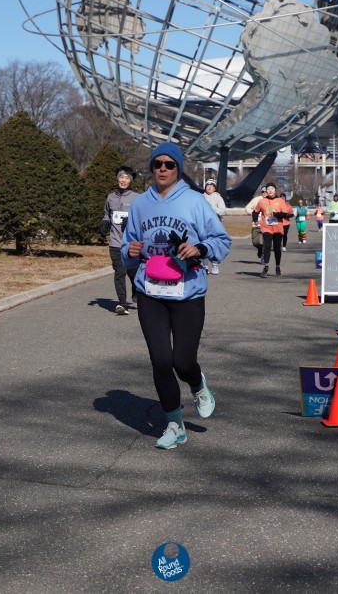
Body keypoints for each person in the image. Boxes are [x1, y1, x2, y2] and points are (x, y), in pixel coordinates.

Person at [122, 142, 231, 449]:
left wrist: (200, 249)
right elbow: (127, 246)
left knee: (182, 362)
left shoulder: (195, 201)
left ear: (178, 169)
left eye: (169, 164)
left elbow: (221, 240)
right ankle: (175, 425)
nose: (163, 169)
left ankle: (197, 384)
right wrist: (129, 251)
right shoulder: (140, 204)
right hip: (150, 291)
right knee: (160, 361)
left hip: (188, 291)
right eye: (157, 164)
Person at [101, 166, 140, 313]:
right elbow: (107, 214)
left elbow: (142, 217)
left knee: (133, 273)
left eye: (127, 178)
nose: (123, 180)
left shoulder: (137, 198)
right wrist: (104, 222)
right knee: (119, 272)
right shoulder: (110, 197)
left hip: (132, 243)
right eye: (121, 177)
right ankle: (122, 304)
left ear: (131, 180)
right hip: (115, 242)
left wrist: (131, 221)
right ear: (117, 179)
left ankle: (136, 290)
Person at [255, 182, 292, 277]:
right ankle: (266, 267)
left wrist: (276, 214)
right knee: (267, 246)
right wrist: (255, 220)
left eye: (272, 188)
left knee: (277, 248)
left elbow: (285, 214)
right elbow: (255, 212)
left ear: (275, 190)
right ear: (266, 191)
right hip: (266, 228)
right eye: (268, 189)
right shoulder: (262, 201)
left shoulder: (280, 201)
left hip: (278, 228)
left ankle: (277, 267)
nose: (270, 190)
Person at [202, 179, 227, 274]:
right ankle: (205, 266)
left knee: (214, 244)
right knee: (203, 244)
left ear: (214, 188)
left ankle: (214, 264)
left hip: (215, 225)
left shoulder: (218, 197)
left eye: (211, 186)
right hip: (203, 224)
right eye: (207, 185)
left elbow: (223, 210)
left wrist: (212, 209)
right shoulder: (201, 197)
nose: (209, 187)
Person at [245, 185, 267, 259]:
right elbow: (247, 207)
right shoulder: (256, 199)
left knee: (266, 242)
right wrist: (254, 213)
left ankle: (264, 257)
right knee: (255, 242)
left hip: (266, 225)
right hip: (256, 224)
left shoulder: (270, 201)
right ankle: (260, 248)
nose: (264, 193)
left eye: (266, 191)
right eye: (263, 191)